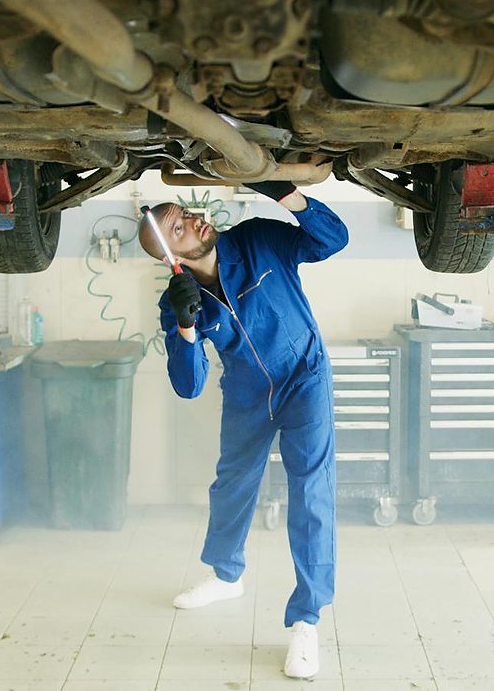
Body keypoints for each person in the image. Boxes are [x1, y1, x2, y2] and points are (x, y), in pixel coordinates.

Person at [138, 179, 348, 679]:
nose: (193, 219)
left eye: (186, 212)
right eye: (178, 227)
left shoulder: (256, 239)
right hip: (247, 393)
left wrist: (287, 194)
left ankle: (307, 619)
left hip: (305, 377)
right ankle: (226, 575)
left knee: (310, 490)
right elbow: (189, 385)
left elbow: (333, 240)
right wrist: (186, 325)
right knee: (232, 483)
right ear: (170, 255)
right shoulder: (178, 298)